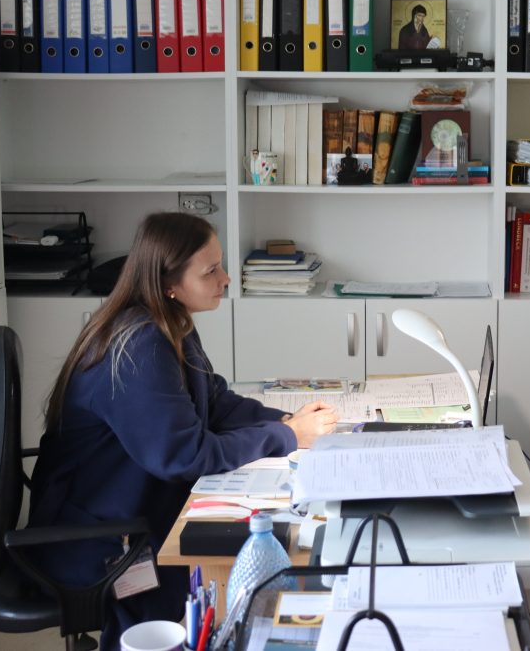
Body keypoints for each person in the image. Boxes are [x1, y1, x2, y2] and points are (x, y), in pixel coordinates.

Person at [27, 212, 338, 650]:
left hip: (135, 510)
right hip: (97, 540)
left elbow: (215, 402)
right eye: (210, 271)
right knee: (235, 566)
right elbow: (185, 455)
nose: (225, 278)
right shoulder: (138, 345)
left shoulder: (168, 322)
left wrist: (288, 422)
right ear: (168, 282)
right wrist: (288, 438)